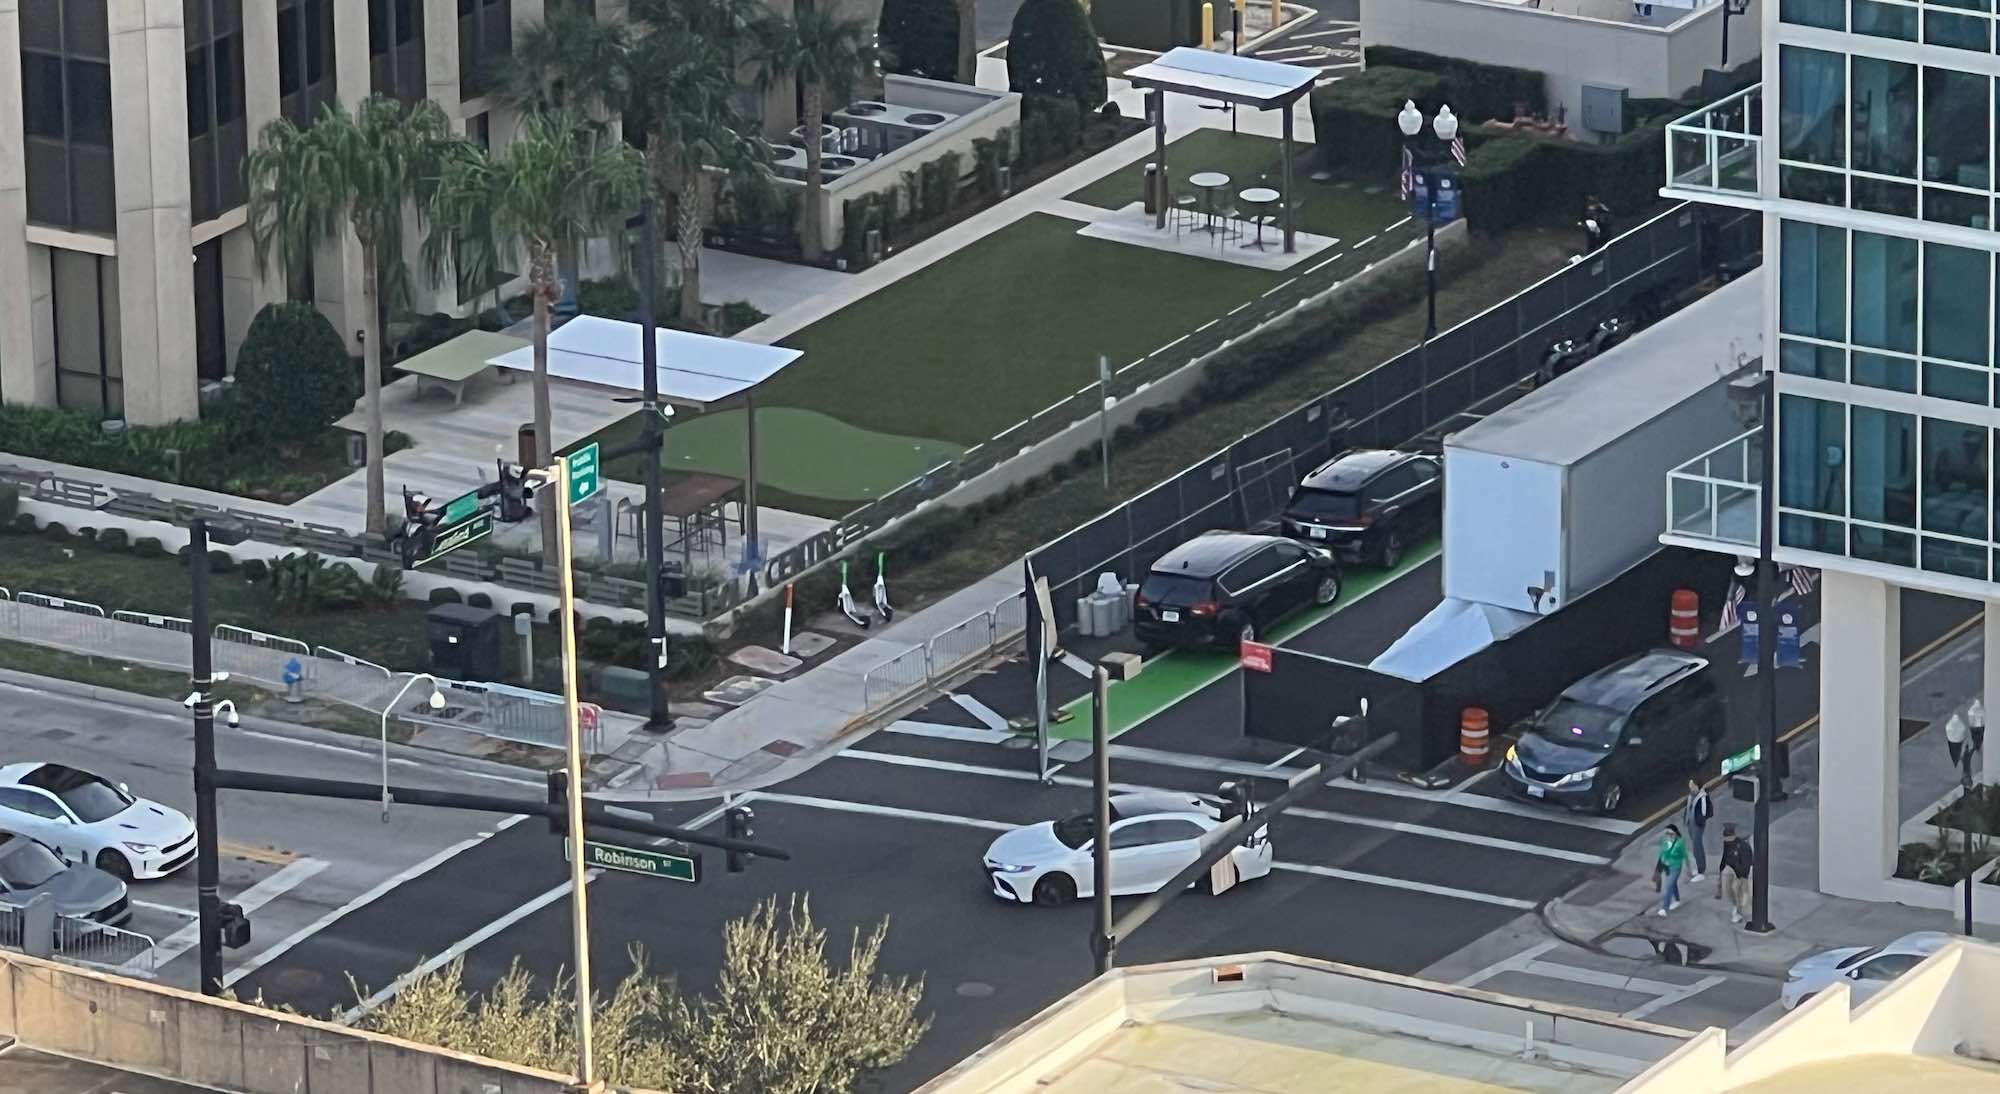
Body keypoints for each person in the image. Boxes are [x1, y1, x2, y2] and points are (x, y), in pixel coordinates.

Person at [1718, 825, 1754, 925]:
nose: (1726, 841)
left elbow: (1745, 866)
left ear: (1732, 836)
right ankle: (1737, 905)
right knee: (1730, 889)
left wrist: (1742, 879)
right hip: (1733, 867)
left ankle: (1739, 911)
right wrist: (1720, 873)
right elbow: (1724, 857)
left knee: (1740, 890)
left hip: (1743, 870)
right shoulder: (1727, 844)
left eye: (1727, 838)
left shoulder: (1743, 847)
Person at [1684, 779, 1713, 882]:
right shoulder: (1691, 796)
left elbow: (1704, 813)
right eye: (1690, 786)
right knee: (1695, 847)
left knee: (1698, 847)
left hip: (1697, 825)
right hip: (1691, 824)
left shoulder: (1702, 797)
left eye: (1692, 786)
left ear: (1697, 786)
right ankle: (1698, 867)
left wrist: (1699, 822)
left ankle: (1701, 871)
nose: (1690, 788)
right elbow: (1687, 809)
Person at [1656, 823, 1686, 916]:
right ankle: (1677, 900)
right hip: (1667, 867)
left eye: (1671, 833)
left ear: (1675, 833)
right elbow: (1662, 853)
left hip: (1675, 868)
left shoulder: (1679, 843)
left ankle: (1665, 908)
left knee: (1668, 886)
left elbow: (1682, 856)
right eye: (1667, 833)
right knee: (1672, 884)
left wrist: (1671, 859)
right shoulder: (1665, 841)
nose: (1669, 835)